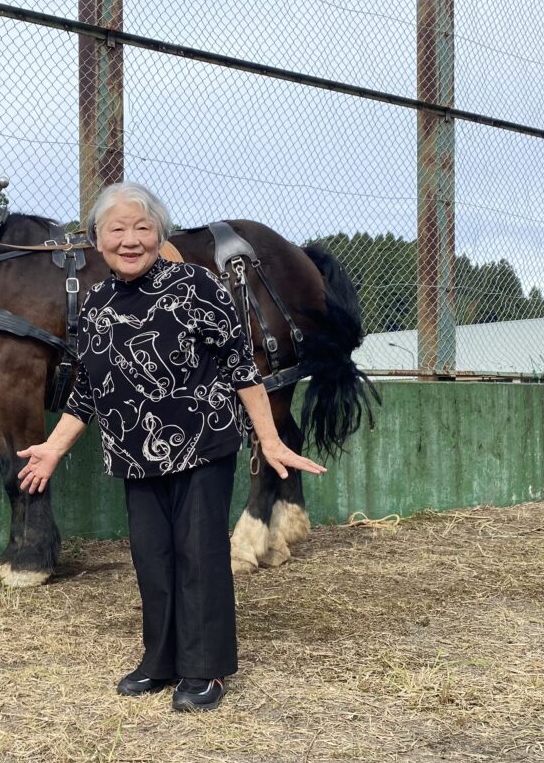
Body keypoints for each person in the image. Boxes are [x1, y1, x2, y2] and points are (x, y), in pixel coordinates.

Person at [17, 183, 325, 711]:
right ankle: (160, 660)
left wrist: (269, 439)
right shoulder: (94, 304)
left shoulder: (198, 286)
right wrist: (53, 448)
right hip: (135, 456)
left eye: (143, 228)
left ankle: (205, 670)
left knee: (198, 555)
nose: (130, 239)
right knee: (152, 558)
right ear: (97, 238)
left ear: (160, 235)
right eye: (117, 229)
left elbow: (240, 369)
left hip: (203, 447)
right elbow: (88, 388)